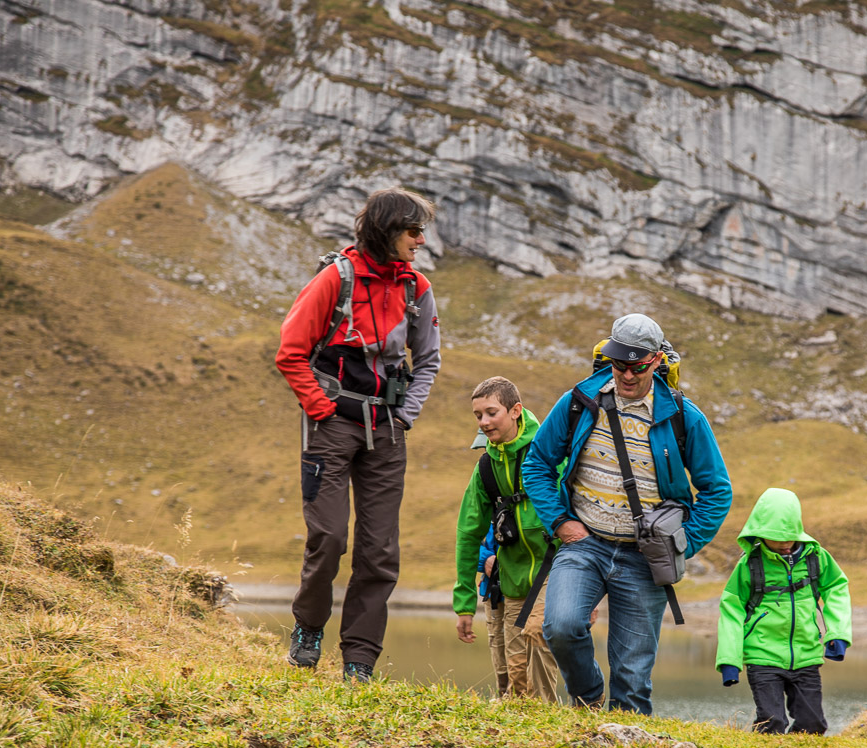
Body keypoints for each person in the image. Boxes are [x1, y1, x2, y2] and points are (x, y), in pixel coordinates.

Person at [523, 313, 732, 715]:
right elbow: (537, 464)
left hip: (645, 557)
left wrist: (681, 545)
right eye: (620, 365)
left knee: (633, 683)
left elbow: (717, 490)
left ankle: (628, 746)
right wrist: (561, 522)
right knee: (560, 627)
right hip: (584, 544)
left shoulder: (684, 416)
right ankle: (588, 698)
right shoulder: (578, 402)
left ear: (657, 361)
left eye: (638, 367)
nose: (628, 375)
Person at [275, 187, 441, 683]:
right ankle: (309, 628)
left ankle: (359, 662)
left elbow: (428, 360)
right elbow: (290, 352)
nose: (421, 240)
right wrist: (322, 408)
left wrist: (404, 416)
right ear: (387, 230)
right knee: (328, 538)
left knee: (380, 551)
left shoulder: (417, 288)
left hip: (387, 432)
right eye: (414, 230)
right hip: (331, 428)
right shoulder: (335, 279)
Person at [453, 377, 559, 702]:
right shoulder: (486, 466)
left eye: (491, 413)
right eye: (478, 415)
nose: (483, 422)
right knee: (516, 674)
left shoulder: (550, 451)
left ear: (515, 411)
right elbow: (468, 533)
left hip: (555, 566)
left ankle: (547, 719)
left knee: (538, 632)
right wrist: (464, 603)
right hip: (511, 577)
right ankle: (526, 719)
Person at [715, 487, 852, 734]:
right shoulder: (749, 564)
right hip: (762, 657)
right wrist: (729, 660)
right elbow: (731, 610)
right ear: (760, 532)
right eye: (776, 539)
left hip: (806, 655)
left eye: (789, 538)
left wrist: (838, 634)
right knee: (772, 723)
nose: (785, 545)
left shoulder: (816, 557)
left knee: (813, 726)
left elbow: (836, 588)